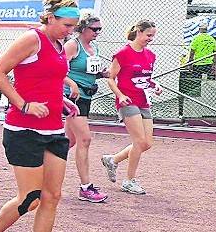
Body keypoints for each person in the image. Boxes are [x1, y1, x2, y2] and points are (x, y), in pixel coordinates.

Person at [0, 0, 81, 232]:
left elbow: (46, 79)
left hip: (53, 129)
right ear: (51, 18)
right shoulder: (32, 39)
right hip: (23, 130)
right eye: (66, 25)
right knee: (31, 198)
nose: (70, 31)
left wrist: (60, 100)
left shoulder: (60, 45)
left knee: (52, 196)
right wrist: (23, 105)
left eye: (73, 26)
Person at [101, 20, 161, 195]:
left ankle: (113, 160)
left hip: (143, 101)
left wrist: (155, 86)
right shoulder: (123, 53)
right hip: (127, 101)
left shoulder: (150, 55)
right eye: (148, 35)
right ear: (139, 32)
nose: (150, 39)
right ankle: (129, 181)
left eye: (153, 36)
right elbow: (111, 78)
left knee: (147, 143)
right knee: (139, 142)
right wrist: (120, 95)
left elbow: (145, 79)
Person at [63, 13, 108, 203]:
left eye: (99, 29)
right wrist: (71, 84)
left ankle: (44, 170)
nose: (97, 32)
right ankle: (85, 187)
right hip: (73, 98)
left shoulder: (94, 47)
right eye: (94, 29)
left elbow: (89, 72)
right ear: (83, 28)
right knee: (85, 139)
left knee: (67, 142)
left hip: (87, 96)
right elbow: (58, 70)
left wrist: (102, 74)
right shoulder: (72, 45)